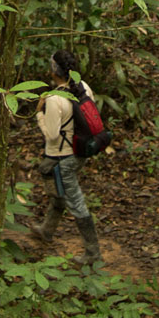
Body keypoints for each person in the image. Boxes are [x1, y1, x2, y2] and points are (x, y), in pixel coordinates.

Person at [30, 48, 100, 266]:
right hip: (80, 152)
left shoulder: (54, 99)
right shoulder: (84, 87)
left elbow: (52, 135)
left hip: (62, 156)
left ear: (54, 71)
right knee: (60, 192)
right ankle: (46, 230)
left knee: (75, 201)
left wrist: (39, 114)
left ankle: (92, 252)